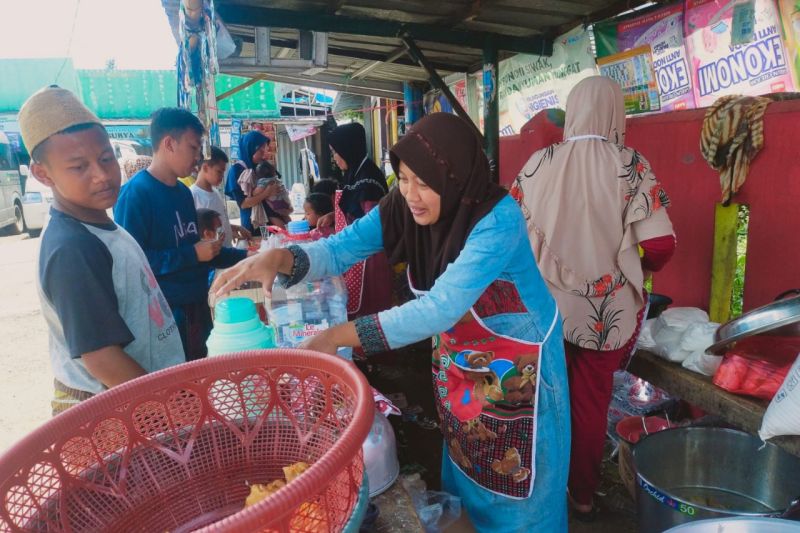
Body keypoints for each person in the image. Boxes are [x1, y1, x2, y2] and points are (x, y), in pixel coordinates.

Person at [213, 113, 570, 532]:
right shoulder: (401, 207)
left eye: (424, 182)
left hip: (518, 369)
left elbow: (440, 308)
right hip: (462, 365)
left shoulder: (497, 219)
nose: (411, 194)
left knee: (518, 500)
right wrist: (282, 257)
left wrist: (338, 337)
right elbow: (341, 249)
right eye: (402, 178)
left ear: (453, 174)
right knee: (473, 473)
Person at [512, 76, 675, 520]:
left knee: (543, 400)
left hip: (544, 310)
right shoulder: (632, 165)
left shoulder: (537, 163)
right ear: (615, 114)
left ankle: (535, 492)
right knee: (589, 403)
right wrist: (639, 269)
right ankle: (581, 496)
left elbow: (511, 234)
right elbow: (661, 246)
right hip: (607, 315)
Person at [18, 86, 184, 415]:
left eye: (106, 158)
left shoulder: (101, 227)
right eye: (79, 167)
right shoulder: (72, 247)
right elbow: (101, 357)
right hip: (113, 411)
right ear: (42, 174)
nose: (101, 175)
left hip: (142, 395)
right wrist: (169, 408)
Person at [114, 108, 248, 361]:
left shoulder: (183, 194)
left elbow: (200, 253)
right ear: (168, 143)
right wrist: (192, 254)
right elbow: (134, 266)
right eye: (193, 148)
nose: (198, 157)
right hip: (165, 315)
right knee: (178, 388)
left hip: (196, 305)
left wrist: (248, 256)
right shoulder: (136, 194)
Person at [322, 122, 392, 318]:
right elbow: (352, 206)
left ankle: (370, 348)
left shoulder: (368, 179)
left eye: (335, 152)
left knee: (370, 309)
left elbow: (372, 222)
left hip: (369, 257)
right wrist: (332, 216)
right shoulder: (355, 174)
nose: (334, 158)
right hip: (355, 251)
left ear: (347, 149)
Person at [190, 146, 251, 247]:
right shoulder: (192, 195)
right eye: (219, 171)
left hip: (227, 253)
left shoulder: (215, 192)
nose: (222, 176)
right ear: (205, 167)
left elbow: (216, 225)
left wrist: (235, 228)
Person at [225, 130, 282, 234]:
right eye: (260, 151)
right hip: (253, 225)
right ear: (250, 149)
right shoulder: (237, 170)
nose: (264, 155)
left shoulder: (261, 167)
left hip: (272, 221)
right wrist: (266, 193)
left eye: (265, 150)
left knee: (276, 244)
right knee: (258, 248)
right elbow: (243, 204)